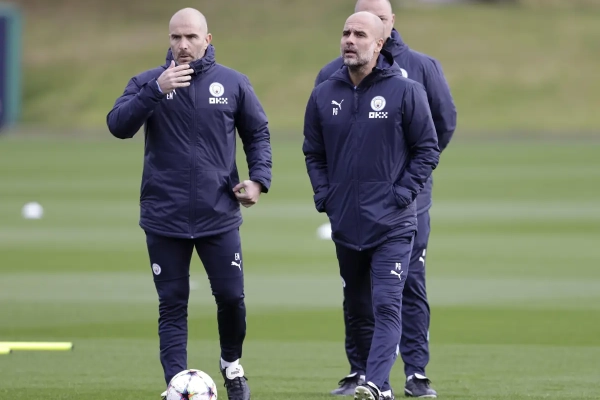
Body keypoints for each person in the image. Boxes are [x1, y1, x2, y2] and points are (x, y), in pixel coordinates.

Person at [106, 8, 272, 400]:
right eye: (176, 37)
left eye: (191, 37)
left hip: (218, 214)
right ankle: (177, 386)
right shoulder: (148, 82)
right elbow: (118, 125)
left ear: (207, 40)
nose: (183, 45)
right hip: (165, 217)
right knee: (172, 304)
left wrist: (258, 180)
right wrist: (156, 90)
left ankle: (231, 365)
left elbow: (258, 133)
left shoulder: (233, 83)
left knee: (231, 299)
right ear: (169, 40)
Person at [314, 0, 457, 397]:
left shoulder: (419, 69)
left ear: (390, 23)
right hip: (350, 205)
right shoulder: (330, 76)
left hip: (406, 202)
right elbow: (319, 143)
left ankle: (415, 372)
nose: (356, 34)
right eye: (352, 25)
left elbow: (440, 128)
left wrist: (403, 181)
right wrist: (327, 193)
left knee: (407, 285)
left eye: (376, 20)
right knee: (356, 291)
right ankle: (360, 371)